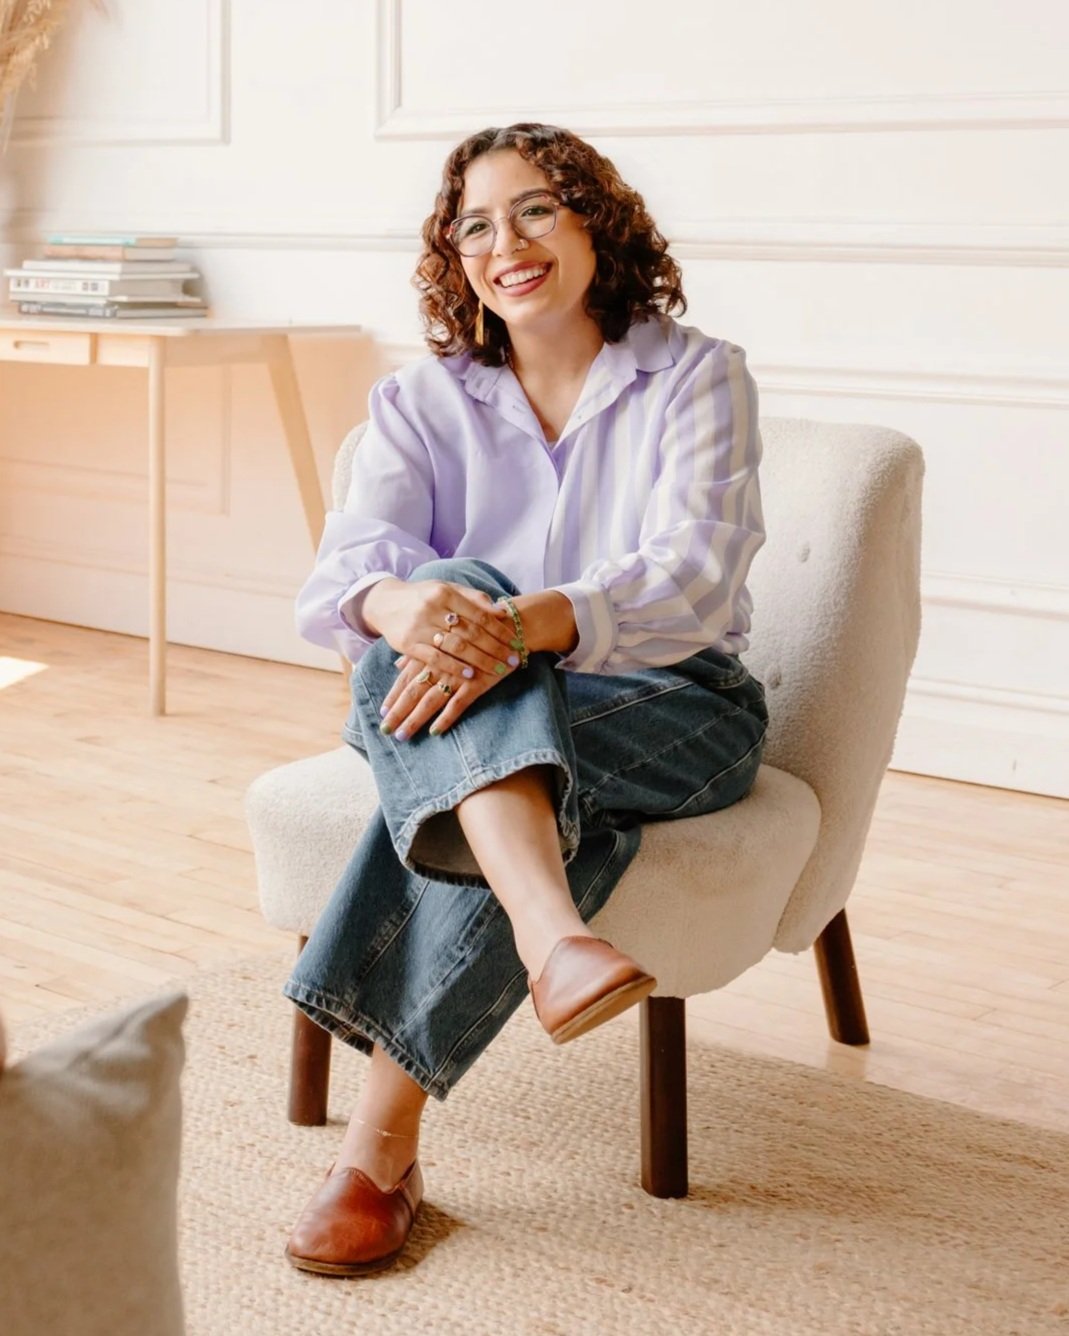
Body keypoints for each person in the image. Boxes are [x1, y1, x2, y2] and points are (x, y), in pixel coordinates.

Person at [283, 122, 769, 1277]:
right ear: (455, 258)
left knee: (469, 696)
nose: (506, 243)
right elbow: (339, 582)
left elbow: (696, 576)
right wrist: (406, 605)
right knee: (430, 609)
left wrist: (518, 627)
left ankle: (378, 1156)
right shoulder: (419, 402)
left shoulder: (697, 375)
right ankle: (556, 938)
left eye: (536, 209)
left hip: (674, 704)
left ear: (595, 221)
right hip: (450, 696)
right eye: (475, 226)